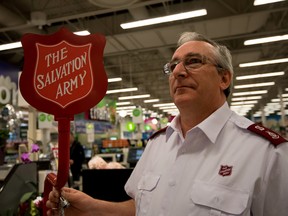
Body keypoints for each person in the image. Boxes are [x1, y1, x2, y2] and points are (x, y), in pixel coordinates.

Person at [46, 32, 288, 216]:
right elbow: (140, 206)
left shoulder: (267, 153)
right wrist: (93, 208)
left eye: (193, 61)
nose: (179, 72)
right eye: (173, 66)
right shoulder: (157, 144)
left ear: (224, 78)